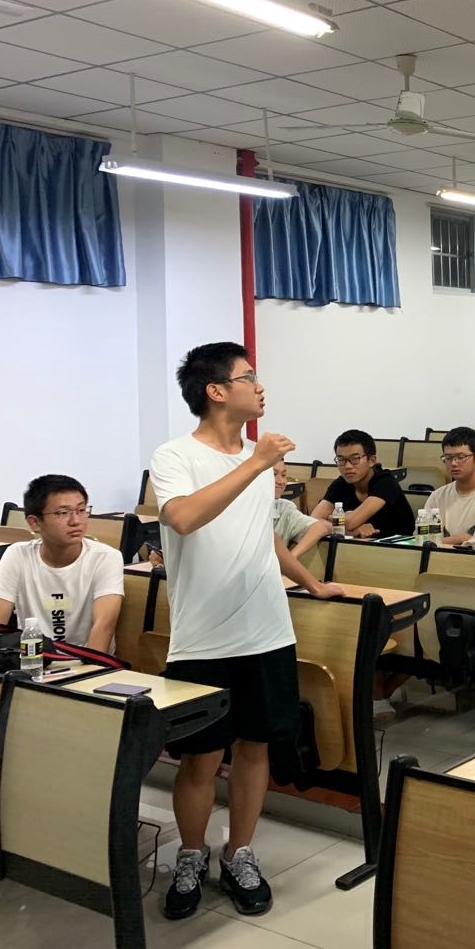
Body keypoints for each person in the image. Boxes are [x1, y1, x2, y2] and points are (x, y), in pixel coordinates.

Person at [149, 342, 342, 920]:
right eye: (248, 376)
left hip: (266, 631)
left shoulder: (256, 465)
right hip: (204, 637)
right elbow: (183, 518)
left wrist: (311, 583)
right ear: (216, 391)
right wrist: (256, 464)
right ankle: (191, 854)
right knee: (201, 758)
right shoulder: (175, 455)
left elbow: (264, 536)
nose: (260, 386)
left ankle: (239, 852)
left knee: (255, 748)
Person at [0, 474, 122, 652]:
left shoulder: (106, 558)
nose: (76, 521)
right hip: (32, 660)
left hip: (87, 662)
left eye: (81, 510)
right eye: (62, 513)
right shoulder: (17, 555)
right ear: (35, 522)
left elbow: (103, 627)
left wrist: (91, 667)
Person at [310, 431, 415, 537]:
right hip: (358, 544)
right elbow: (312, 521)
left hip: (397, 545)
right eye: (341, 460)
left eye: (355, 459)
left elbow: (350, 522)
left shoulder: (386, 482)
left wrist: (330, 517)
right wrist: (350, 531)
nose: (347, 466)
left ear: (371, 460)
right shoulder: (341, 484)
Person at [424, 427, 475, 545]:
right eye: (448, 458)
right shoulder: (437, 496)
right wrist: (460, 539)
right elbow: (422, 539)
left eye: (461, 457)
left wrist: (442, 541)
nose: (454, 463)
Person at [271, 461, 331, 562]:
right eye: (274, 474)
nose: (281, 481)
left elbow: (318, 528)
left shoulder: (284, 508)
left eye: (284, 475)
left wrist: (290, 558)